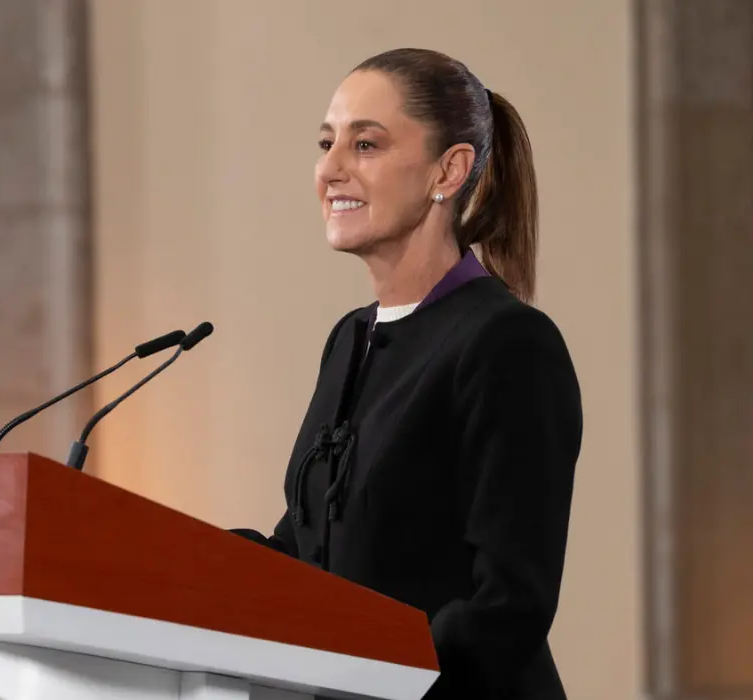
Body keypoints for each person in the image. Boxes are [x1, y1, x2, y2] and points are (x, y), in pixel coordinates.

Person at [231, 48, 583, 699]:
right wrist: (169, 557)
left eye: (365, 144)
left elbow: (508, 605)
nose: (330, 169)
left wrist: (366, 672)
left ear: (448, 170)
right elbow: (309, 556)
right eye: (326, 142)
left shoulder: (508, 344)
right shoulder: (350, 340)